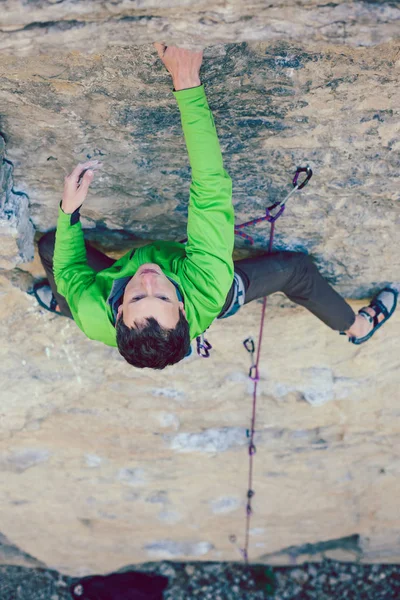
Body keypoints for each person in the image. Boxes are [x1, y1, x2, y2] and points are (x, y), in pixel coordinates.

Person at [34, 44, 398, 369]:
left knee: (54, 252)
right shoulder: (207, 286)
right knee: (296, 269)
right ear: (182, 310)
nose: (147, 279)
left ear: (118, 317)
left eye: (136, 297)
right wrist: (187, 82)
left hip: (89, 303)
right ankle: (356, 326)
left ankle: (61, 305)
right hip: (213, 292)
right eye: (161, 295)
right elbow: (209, 187)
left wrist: (70, 211)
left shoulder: (92, 314)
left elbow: (68, 270)